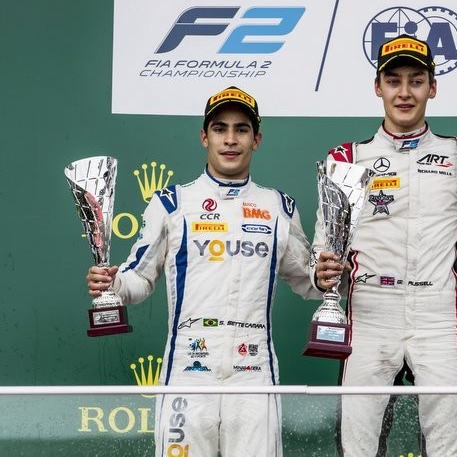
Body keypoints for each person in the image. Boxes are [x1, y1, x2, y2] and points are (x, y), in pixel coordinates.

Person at [86, 86, 322, 457]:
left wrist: (329, 277)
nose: (230, 139)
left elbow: (309, 281)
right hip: (188, 366)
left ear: (256, 139)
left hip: (254, 368)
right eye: (219, 128)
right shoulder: (172, 203)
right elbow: (138, 280)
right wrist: (111, 282)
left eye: (241, 129)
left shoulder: (278, 207)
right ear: (204, 136)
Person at [312, 34, 457, 457]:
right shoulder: (346, 158)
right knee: (357, 445)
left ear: (433, 87)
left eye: (416, 80)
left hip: (438, 313)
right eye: (393, 81)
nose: (405, 92)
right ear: (378, 87)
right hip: (371, 309)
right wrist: (320, 272)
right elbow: (322, 243)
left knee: (448, 446)